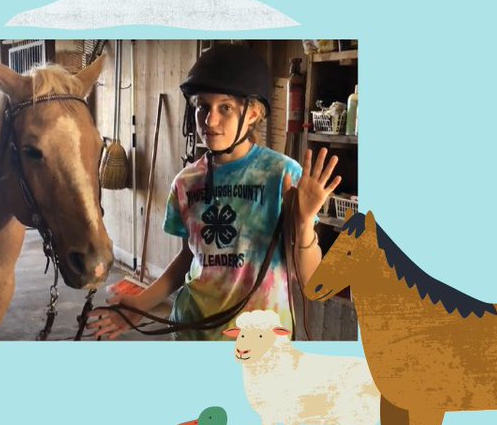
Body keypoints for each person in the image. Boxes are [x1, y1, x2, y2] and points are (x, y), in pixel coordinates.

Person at [88, 45, 340, 340]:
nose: (210, 121)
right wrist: (140, 305)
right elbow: (188, 259)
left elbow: (312, 284)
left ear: (253, 114)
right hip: (191, 331)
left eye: (226, 108)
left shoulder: (283, 176)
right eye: (202, 107)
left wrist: (306, 222)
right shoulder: (186, 183)